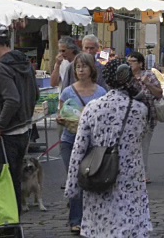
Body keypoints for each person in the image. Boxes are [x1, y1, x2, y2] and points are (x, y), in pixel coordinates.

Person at [64, 58, 152, 238]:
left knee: (101, 225)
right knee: (130, 223)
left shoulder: (93, 108)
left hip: (99, 171)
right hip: (130, 176)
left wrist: (72, 186)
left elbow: (78, 149)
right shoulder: (139, 109)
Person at [0, 23, 39, 219]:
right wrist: (26, 117)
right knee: (14, 179)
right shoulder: (25, 62)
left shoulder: (1, 67)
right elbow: (35, 93)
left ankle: (10, 224)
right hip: (23, 129)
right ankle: (14, 223)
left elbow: (12, 99)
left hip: (9, 133)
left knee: (8, 181)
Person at [57, 53, 107, 235]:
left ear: (91, 69)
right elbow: (60, 115)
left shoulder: (102, 93)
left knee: (90, 181)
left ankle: (92, 218)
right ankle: (76, 220)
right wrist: (62, 118)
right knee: (76, 179)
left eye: (84, 66)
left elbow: (105, 119)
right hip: (70, 141)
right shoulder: (68, 91)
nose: (80, 70)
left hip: (93, 144)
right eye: (78, 67)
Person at [127, 52, 163, 184]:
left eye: (133, 61)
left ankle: (143, 174)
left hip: (147, 117)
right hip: (129, 118)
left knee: (143, 146)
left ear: (141, 63)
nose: (130, 63)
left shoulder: (148, 75)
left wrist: (147, 84)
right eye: (129, 61)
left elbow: (159, 93)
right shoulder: (127, 77)